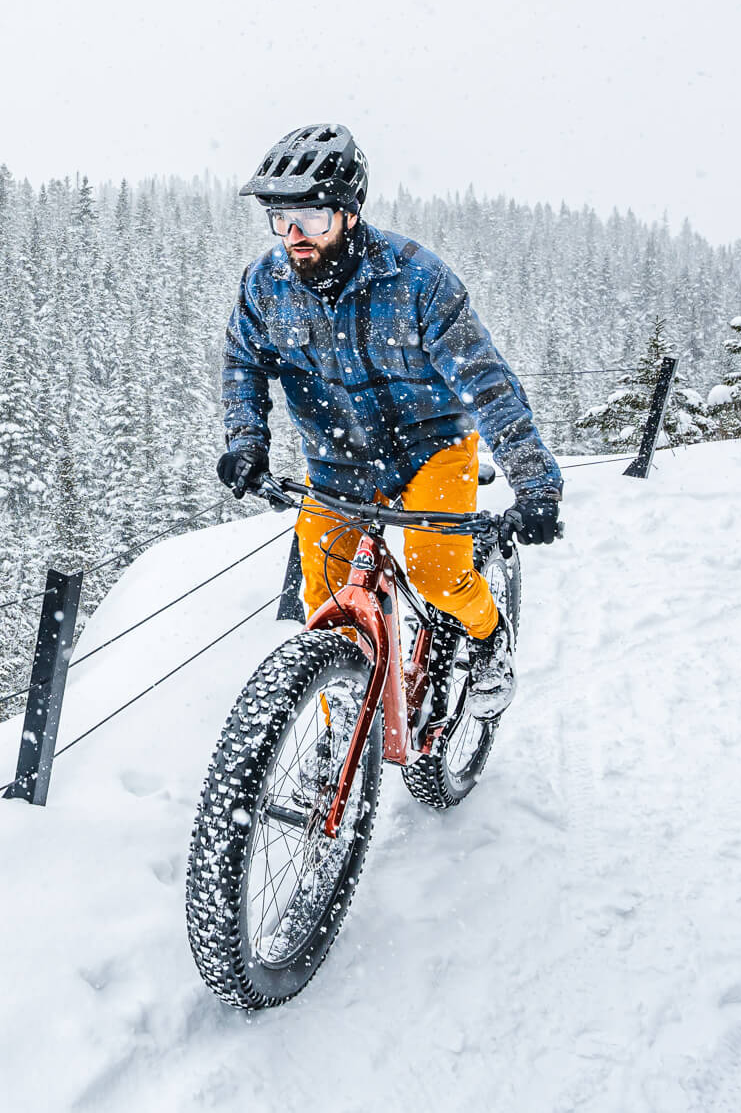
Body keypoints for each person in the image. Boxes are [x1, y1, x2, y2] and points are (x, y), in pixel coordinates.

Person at [216, 124, 561, 718]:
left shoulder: (417, 281)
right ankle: (336, 747)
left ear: (349, 214)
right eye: (282, 220)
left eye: (313, 219)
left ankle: (486, 636)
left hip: (431, 446)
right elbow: (243, 361)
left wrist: (535, 484)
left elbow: (488, 385)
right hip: (334, 460)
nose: (295, 237)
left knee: (436, 573)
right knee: (325, 605)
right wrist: (247, 442)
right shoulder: (265, 287)